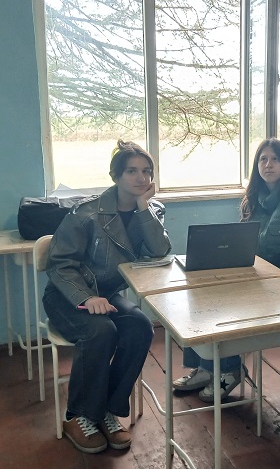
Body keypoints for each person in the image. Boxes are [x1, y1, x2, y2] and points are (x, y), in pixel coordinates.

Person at [43, 140, 172, 454]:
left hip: (108, 295)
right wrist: (86, 298)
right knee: (101, 331)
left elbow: (159, 251)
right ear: (116, 175)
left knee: (141, 327)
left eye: (147, 171)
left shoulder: (151, 209)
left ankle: (106, 409)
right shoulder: (87, 212)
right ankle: (78, 416)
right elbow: (59, 265)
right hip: (67, 297)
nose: (141, 178)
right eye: (131, 171)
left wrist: (143, 207)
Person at [173, 137, 280, 402]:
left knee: (227, 299)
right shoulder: (254, 197)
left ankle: (229, 370)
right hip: (256, 273)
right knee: (201, 288)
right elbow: (242, 242)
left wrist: (260, 268)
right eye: (263, 159)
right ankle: (206, 367)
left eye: (275, 159)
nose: (268, 164)